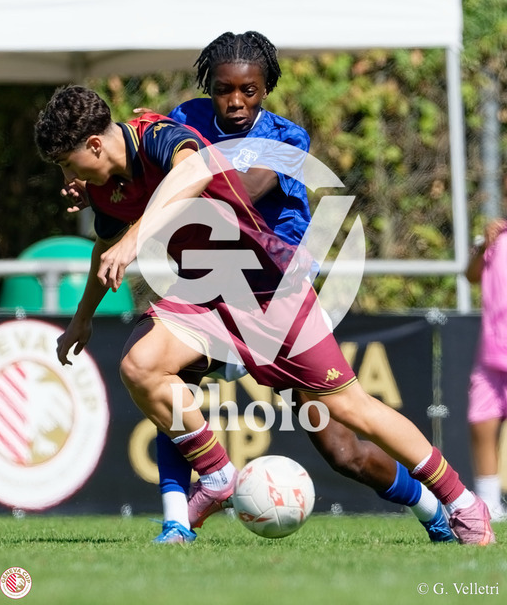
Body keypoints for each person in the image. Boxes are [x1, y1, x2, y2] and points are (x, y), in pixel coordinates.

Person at [35, 85, 495, 547]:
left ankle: (462, 503)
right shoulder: (104, 188)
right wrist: (82, 318)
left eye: (68, 164)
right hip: (204, 295)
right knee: (141, 364)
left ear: (95, 144)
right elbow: (105, 247)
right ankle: (216, 478)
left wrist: (134, 241)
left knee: (350, 409)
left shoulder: (155, 135)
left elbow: (193, 170)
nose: (69, 177)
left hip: (269, 290)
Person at [139, 31, 455, 544]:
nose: (235, 102)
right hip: (212, 288)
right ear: (208, 87)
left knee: (342, 451)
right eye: (223, 90)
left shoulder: (287, 138)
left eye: (248, 90)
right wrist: (103, 181)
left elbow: (238, 194)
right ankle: (177, 522)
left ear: (266, 90)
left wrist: (171, 156)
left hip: (276, 301)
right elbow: (143, 171)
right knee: (166, 383)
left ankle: (431, 508)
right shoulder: (187, 118)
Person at [465, 218, 507, 521]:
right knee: (481, 421)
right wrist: (482, 247)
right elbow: (471, 275)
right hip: (491, 352)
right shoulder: (497, 236)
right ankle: (490, 505)